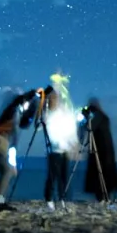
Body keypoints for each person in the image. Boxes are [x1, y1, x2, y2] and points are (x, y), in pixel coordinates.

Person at [41, 75, 80, 206]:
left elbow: (68, 130)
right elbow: (51, 132)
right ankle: (49, 199)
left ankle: (61, 198)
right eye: (54, 99)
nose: (56, 101)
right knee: (53, 176)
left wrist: (72, 143)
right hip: (54, 150)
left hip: (64, 150)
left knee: (63, 176)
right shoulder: (48, 115)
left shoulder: (61, 114)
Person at [80, 97, 117, 201]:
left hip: (101, 151)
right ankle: (105, 195)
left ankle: (103, 196)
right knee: (104, 174)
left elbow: (90, 127)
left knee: (100, 173)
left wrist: (86, 117)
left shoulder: (98, 116)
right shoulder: (103, 116)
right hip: (105, 150)